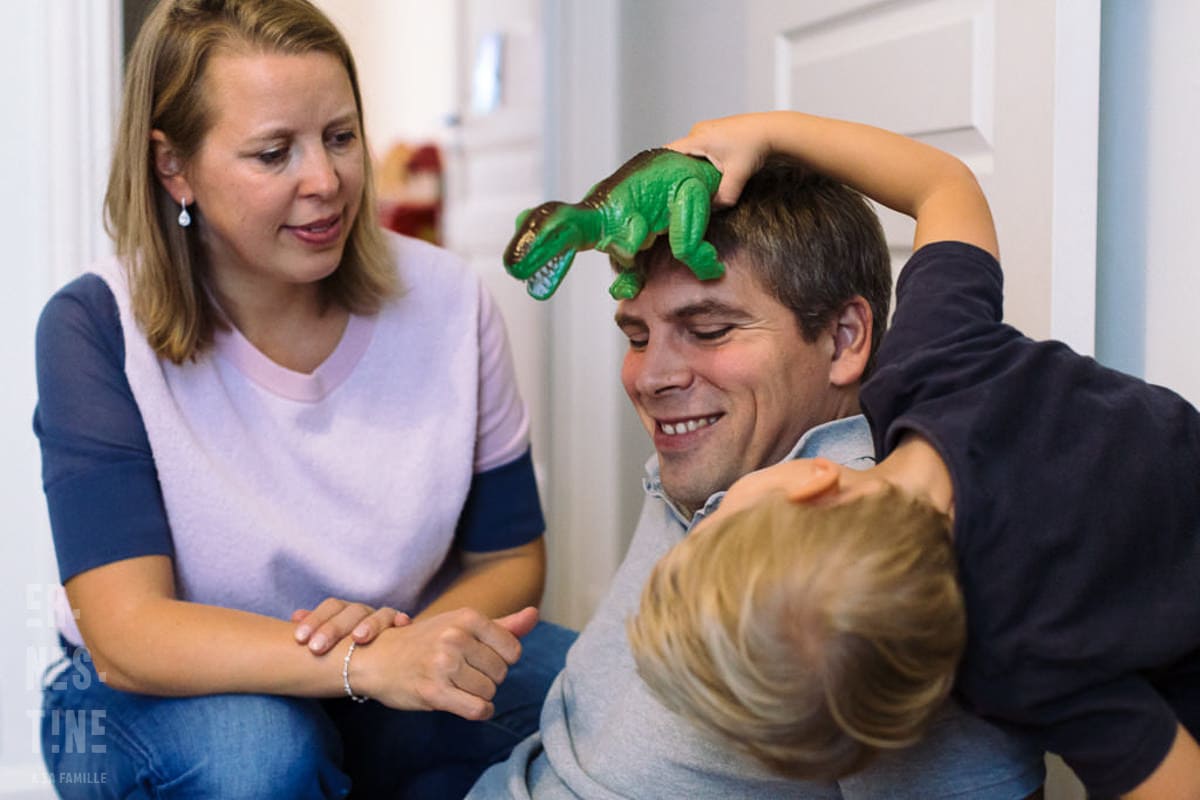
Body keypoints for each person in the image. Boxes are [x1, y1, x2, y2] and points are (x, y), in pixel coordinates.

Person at [33, 1, 574, 797]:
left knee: (595, 689)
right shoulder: (93, 326)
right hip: (150, 693)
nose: (325, 181)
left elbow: (510, 558)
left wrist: (406, 652)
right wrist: (361, 661)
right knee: (261, 753)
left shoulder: (452, 301)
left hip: (389, 658)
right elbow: (127, 633)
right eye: (273, 152)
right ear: (173, 165)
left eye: (340, 137)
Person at [627, 111, 1200, 799]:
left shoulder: (1014, 660)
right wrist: (766, 132)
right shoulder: (939, 363)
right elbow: (942, 185)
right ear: (812, 483)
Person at [469, 147, 1045, 796]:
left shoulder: (860, 563)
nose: (651, 377)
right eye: (636, 337)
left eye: (709, 329)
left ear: (845, 338)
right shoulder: (728, 449)